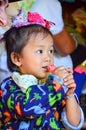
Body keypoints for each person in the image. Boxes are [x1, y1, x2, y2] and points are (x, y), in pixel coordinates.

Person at [0, 10, 84, 130]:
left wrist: (69, 95)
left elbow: (74, 124)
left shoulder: (53, 83)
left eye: (51, 51)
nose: (48, 58)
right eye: (40, 51)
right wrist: (56, 84)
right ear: (17, 58)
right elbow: (27, 109)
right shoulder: (8, 87)